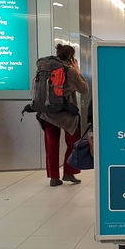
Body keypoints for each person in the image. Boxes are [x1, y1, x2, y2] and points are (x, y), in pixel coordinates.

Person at [38, 44, 89, 187]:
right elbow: (84, 89)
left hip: (47, 112)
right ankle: (69, 172)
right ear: (72, 57)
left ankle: (54, 177)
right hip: (66, 114)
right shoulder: (71, 71)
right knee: (73, 143)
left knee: (51, 145)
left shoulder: (47, 68)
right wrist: (78, 71)